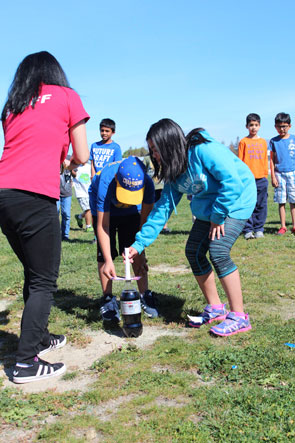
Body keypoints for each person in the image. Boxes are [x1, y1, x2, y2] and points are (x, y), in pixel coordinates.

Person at [0, 51, 89, 383]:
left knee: (33, 271)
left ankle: (38, 338)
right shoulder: (68, 97)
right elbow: (81, 153)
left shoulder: (12, 105)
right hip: (35, 194)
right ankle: (25, 363)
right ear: (56, 72)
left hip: (4, 193)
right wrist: (69, 164)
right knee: (43, 280)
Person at [127, 119, 256, 336]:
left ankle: (239, 316)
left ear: (169, 144)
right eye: (151, 150)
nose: (154, 155)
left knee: (218, 251)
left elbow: (232, 182)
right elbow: (162, 210)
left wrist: (218, 216)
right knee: (194, 251)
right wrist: (138, 244)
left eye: (156, 149)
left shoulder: (203, 150)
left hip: (237, 199)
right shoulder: (174, 171)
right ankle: (215, 309)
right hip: (211, 206)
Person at [89, 156, 158, 321]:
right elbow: (103, 226)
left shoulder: (147, 183)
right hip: (104, 212)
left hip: (131, 213)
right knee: (106, 254)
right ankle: (107, 299)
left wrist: (140, 250)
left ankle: (144, 295)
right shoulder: (106, 180)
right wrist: (108, 260)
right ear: (116, 179)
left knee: (133, 248)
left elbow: (143, 222)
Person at [238, 113, 268, 239]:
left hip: (262, 178)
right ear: (247, 126)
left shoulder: (263, 142)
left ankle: (259, 229)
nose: (253, 128)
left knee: (261, 204)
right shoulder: (243, 142)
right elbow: (240, 162)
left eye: (256, 125)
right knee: (248, 204)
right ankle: (248, 230)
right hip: (248, 179)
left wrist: (266, 175)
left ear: (259, 126)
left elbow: (265, 160)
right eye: (251, 125)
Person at [269, 113, 295, 235]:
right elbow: (272, 160)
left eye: (284, 126)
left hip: (293, 174)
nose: (282, 129)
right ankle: (283, 226)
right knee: (281, 201)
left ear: (289, 126)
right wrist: (273, 176)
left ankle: (294, 226)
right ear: (275, 127)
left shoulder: (293, 139)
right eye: (279, 126)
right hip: (279, 174)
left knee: (293, 200)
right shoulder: (273, 141)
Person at [143, 154, 170, 233]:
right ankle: (148, 226)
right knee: (150, 207)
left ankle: (164, 227)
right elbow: (143, 171)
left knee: (163, 207)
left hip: (162, 186)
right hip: (151, 187)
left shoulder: (163, 156)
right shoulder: (147, 158)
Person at [72, 161, 93, 232]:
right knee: (88, 209)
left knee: (91, 210)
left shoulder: (90, 166)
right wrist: (72, 169)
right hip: (81, 192)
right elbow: (73, 174)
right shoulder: (76, 166)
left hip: (89, 192)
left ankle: (79, 217)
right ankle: (88, 226)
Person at [57, 164, 73, 241]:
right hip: (55, 193)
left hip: (67, 193)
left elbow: (75, 175)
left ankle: (65, 235)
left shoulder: (69, 159)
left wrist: (70, 168)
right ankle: (55, 234)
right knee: (55, 213)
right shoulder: (55, 158)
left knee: (66, 214)